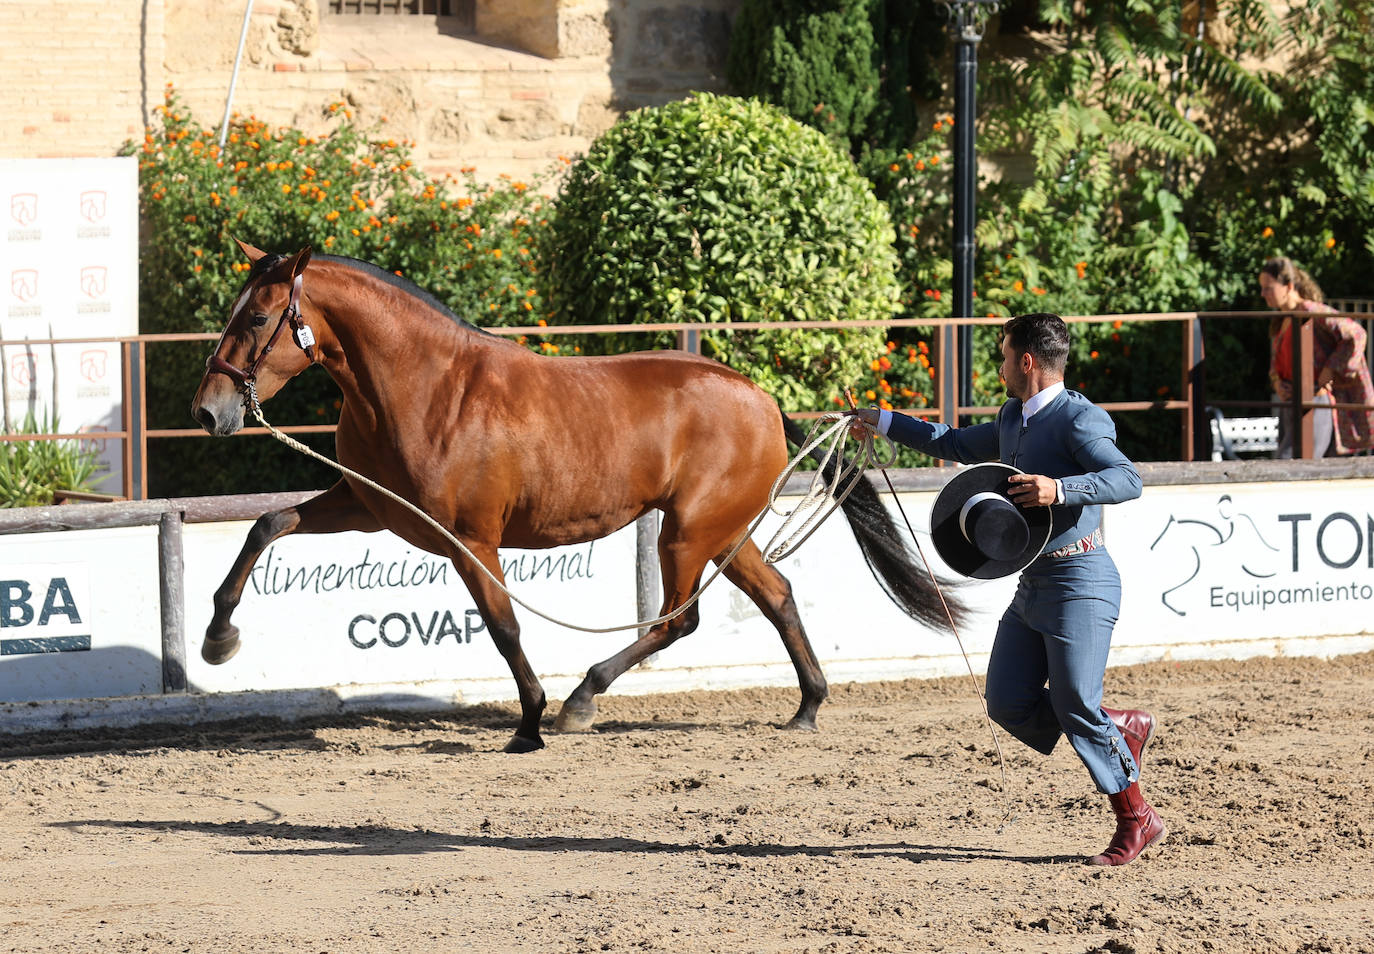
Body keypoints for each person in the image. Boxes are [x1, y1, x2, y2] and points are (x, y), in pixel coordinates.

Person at [846, 312, 1164, 866]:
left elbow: (1128, 479)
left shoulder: (1079, 420)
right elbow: (949, 440)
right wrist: (882, 419)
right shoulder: (1011, 416)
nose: (997, 366)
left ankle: (1136, 818)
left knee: (1072, 703)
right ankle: (1117, 726)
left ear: (1027, 362)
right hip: (1036, 581)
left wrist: (1058, 488)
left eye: (1002, 355)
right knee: (1006, 701)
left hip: (1081, 581)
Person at [1259, 256, 1374, 457]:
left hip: (1314, 402)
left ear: (1289, 286)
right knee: (1293, 465)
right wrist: (1277, 382)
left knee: (1291, 465)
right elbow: (1276, 363)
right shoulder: (1281, 319)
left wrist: (1331, 370)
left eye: (1269, 288)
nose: (1263, 294)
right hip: (1289, 404)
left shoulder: (1311, 311)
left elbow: (1356, 333)